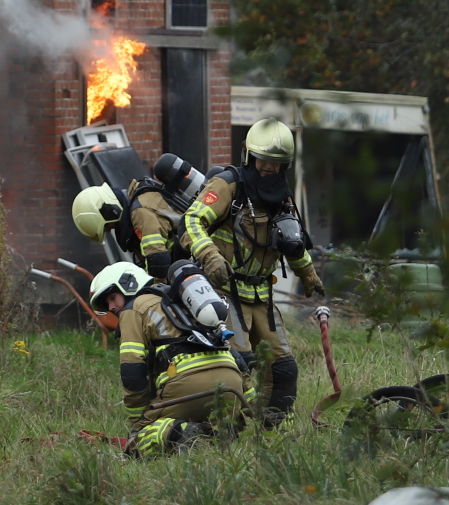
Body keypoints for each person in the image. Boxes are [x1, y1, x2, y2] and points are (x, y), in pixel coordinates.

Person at [181, 119, 323, 427]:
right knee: (239, 364)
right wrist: (211, 256)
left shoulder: (281, 197)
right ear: (250, 157)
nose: (270, 170)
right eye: (264, 162)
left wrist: (308, 272)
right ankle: (231, 429)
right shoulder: (229, 185)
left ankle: (269, 430)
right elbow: (192, 221)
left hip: (262, 297)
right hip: (225, 291)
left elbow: (291, 240)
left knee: (283, 369)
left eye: (277, 164)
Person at [88, 261, 247, 457]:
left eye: (112, 298)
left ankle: (182, 433)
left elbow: (132, 370)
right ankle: (218, 432)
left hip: (188, 387)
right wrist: (248, 405)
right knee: (214, 440)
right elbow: (237, 358)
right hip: (231, 384)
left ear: (129, 285)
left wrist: (138, 425)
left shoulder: (133, 309)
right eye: (107, 304)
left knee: (138, 444)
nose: (111, 307)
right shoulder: (184, 301)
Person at [67, 153, 201, 278]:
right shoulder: (135, 205)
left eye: (106, 226)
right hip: (189, 261)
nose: (109, 230)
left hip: (198, 259)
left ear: (109, 212)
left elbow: (158, 262)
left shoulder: (140, 213)